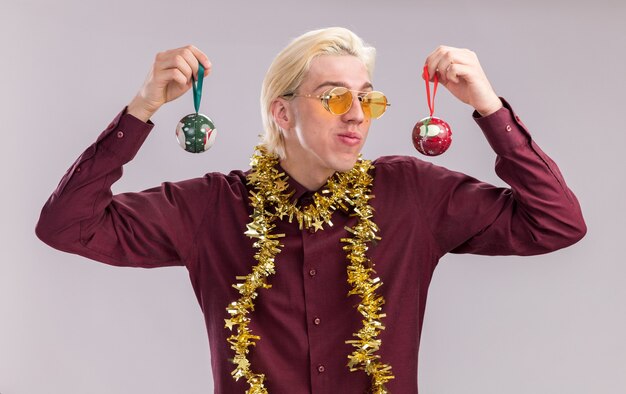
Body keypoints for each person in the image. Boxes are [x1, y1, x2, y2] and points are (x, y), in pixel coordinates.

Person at [36, 27, 586, 394]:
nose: (356, 116)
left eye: (365, 97)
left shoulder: (412, 193)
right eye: (332, 96)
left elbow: (556, 223)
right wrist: (144, 107)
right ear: (282, 111)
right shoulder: (213, 206)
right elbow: (68, 226)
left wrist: (488, 105)